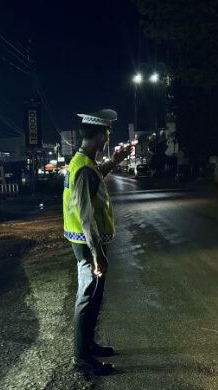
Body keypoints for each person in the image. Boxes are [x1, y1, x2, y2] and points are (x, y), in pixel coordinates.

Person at [63, 109, 132, 376]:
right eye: (107, 134)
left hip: (88, 243)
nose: (108, 139)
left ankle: (89, 345)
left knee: (94, 296)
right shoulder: (82, 168)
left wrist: (113, 162)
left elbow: (94, 178)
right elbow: (85, 215)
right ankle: (81, 358)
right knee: (86, 297)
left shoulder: (85, 162)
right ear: (100, 135)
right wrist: (97, 253)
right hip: (86, 245)